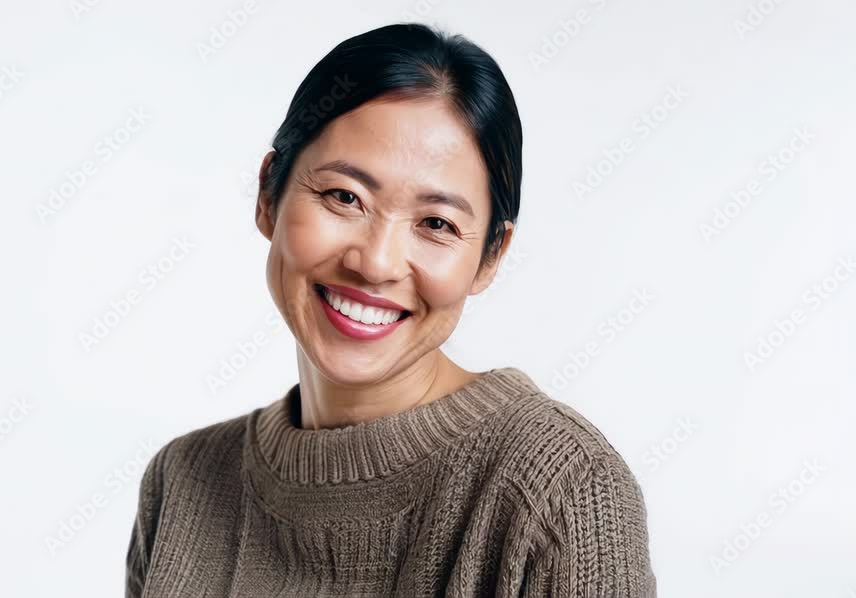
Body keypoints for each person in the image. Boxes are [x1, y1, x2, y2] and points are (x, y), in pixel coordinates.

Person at [126, 22, 656, 597]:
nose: (376, 263)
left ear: (489, 257)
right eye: (344, 197)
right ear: (268, 195)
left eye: (436, 224)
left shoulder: (561, 490)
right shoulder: (180, 482)